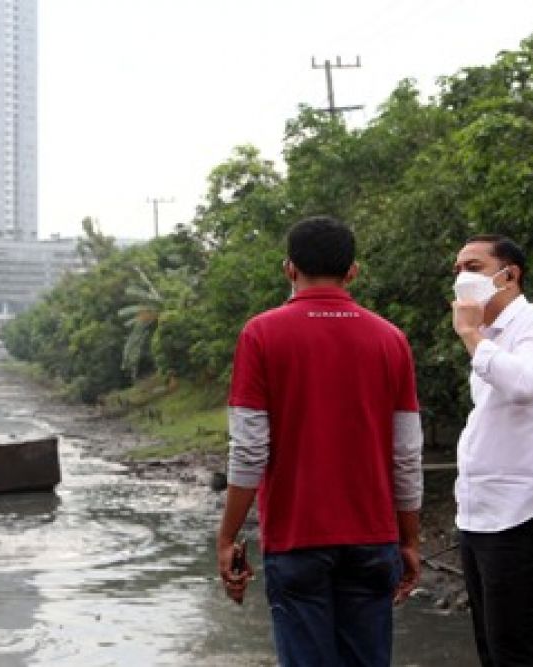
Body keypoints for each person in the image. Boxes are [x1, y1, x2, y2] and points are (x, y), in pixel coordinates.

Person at [217, 215, 423, 666]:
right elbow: (406, 453)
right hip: (373, 538)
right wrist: (409, 539)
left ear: (289, 269)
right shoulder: (391, 339)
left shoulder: (261, 334)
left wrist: (228, 536)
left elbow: (250, 450)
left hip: (296, 540)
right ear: (353, 272)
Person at [450, 234, 533, 666]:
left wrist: (470, 334)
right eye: (457, 271)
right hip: (478, 513)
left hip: (522, 511)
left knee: (514, 652)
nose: (461, 278)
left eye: (473, 268)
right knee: (493, 649)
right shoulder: (491, 337)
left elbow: (525, 384)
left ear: (509, 275)